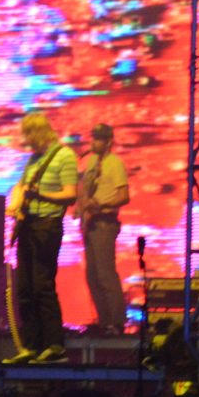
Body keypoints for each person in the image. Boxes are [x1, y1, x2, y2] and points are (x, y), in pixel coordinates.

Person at [8, 109, 77, 364]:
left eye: (28, 134)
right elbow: (22, 186)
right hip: (28, 225)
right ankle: (31, 346)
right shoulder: (33, 159)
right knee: (25, 287)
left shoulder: (64, 156)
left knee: (42, 285)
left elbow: (70, 195)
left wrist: (41, 197)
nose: (25, 140)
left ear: (38, 132)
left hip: (47, 225)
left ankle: (54, 345)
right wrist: (17, 202)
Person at [75, 123, 129, 336]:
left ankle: (116, 322)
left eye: (98, 139)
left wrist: (100, 204)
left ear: (108, 142)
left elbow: (124, 196)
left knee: (106, 273)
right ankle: (104, 321)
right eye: (93, 138)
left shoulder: (114, 164)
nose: (93, 142)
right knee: (92, 275)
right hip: (91, 223)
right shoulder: (91, 163)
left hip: (105, 222)